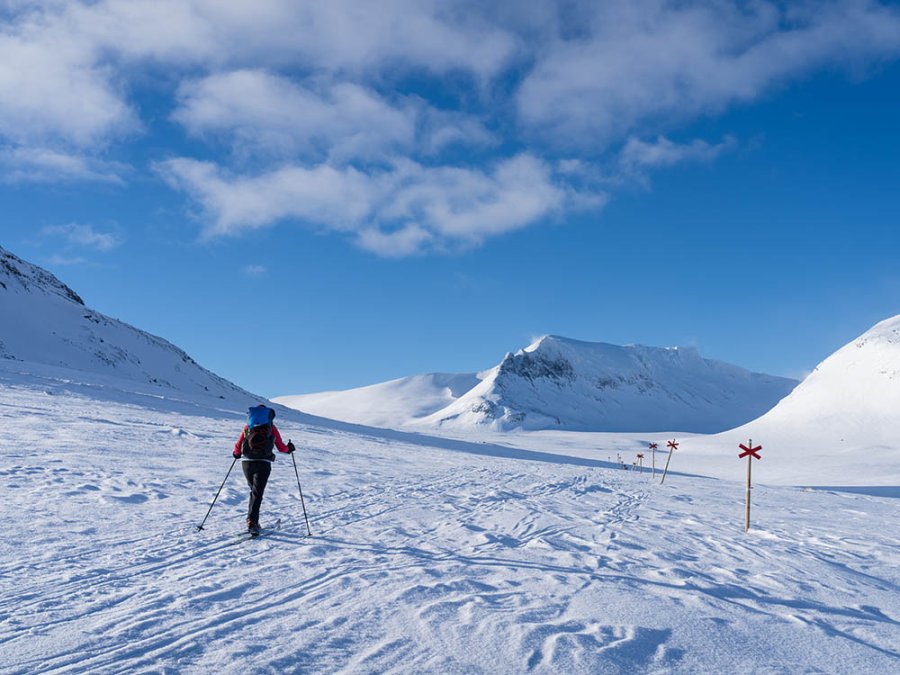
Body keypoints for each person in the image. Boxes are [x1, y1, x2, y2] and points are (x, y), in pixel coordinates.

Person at [232, 404, 295, 534]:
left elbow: (238, 445)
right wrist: (289, 449)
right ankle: (252, 522)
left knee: (254, 491)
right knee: (257, 493)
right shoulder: (271, 428)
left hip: (246, 464)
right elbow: (281, 447)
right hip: (263, 463)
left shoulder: (247, 428)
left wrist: (236, 454)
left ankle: (252, 520)